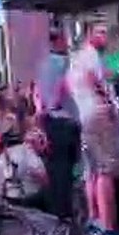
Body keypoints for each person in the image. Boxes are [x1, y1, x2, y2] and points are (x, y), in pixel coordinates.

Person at [66, 18, 119, 232]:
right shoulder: (90, 56)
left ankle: (94, 218)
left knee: (91, 170)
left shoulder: (75, 59)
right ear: (89, 33)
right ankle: (108, 226)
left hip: (85, 116)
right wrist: (108, 102)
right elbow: (93, 79)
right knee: (105, 170)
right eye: (100, 32)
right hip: (99, 115)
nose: (104, 37)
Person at [36, 27, 80, 221]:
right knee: (65, 171)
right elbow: (64, 86)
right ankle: (66, 214)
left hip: (50, 121)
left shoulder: (43, 65)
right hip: (64, 121)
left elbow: (37, 93)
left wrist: (44, 110)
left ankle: (56, 214)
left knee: (55, 169)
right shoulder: (64, 63)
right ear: (59, 40)